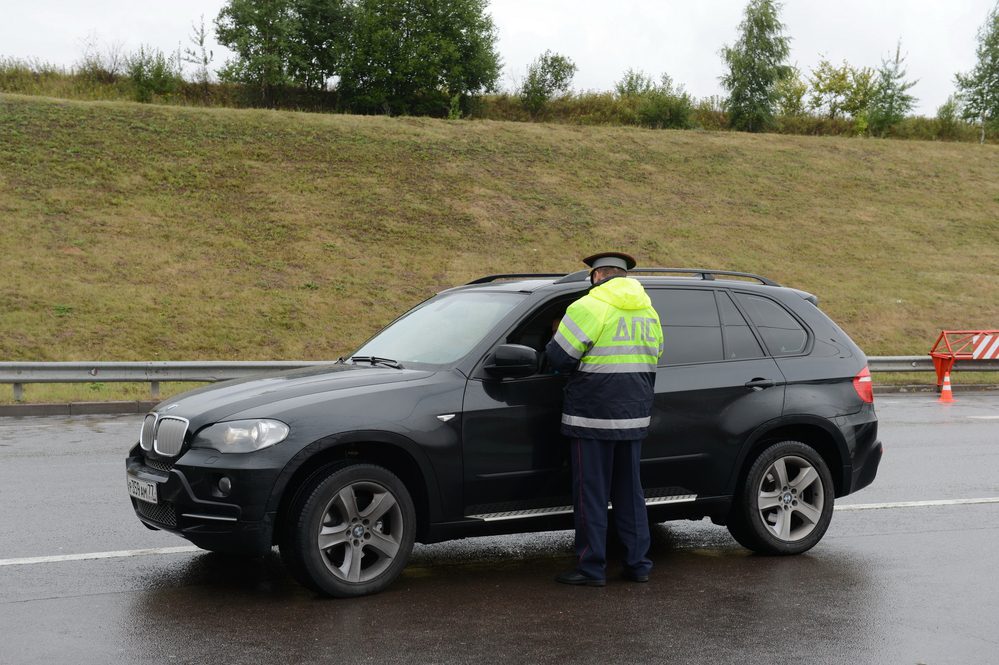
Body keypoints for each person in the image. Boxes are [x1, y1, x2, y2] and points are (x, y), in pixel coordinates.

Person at [544, 252, 664, 586]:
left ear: (596, 276)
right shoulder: (648, 311)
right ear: (623, 277)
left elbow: (558, 357)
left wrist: (554, 336)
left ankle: (590, 567)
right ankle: (638, 564)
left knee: (591, 494)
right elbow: (657, 354)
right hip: (633, 416)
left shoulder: (588, 307)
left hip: (592, 417)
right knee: (630, 493)